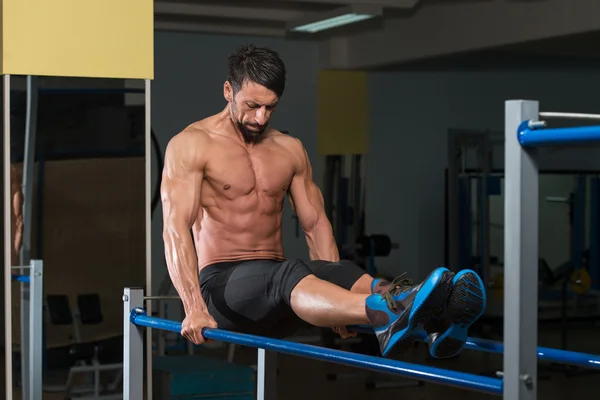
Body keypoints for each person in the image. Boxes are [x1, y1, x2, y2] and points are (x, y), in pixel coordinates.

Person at [161, 44, 486, 359]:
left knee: (339, 270)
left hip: (281, 293)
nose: (260, 118)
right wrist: (193, 308)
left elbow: (315, 223)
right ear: (228, 91)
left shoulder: (289, 149)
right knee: (287, 273)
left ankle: (434, 321)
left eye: (270, 107)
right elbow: (175, 229)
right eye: (252, 105)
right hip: (224, 293)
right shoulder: (192, 145)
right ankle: (386, 313)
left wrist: (338, 306)